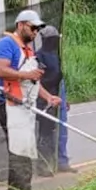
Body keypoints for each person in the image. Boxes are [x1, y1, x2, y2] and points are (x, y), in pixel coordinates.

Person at [0, 10, 61, 190]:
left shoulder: (28, 50)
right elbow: (1, 70)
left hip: (24, 106)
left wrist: (49, 97)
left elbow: (32, 82)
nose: (35, 33)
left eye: (38, 29)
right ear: (21, 25)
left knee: (21, 152)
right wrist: (27, 75)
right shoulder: (7, 44)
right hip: (9, 105)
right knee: (20, 154)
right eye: (33, 28)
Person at [34, 24, 64, 177]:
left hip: (54, 97)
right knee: (45, 133)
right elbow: (39, 79)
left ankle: (52, 163)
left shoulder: (55, 56)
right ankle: (42, 165)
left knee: (51, 131)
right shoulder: (39, 56)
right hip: (43, 98)